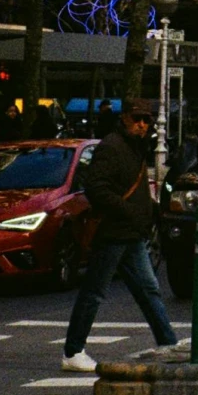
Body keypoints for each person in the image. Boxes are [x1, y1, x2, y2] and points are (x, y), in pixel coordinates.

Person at [62, 101, 178, 373]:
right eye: (137, 118)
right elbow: (96, 188)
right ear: (124, 118)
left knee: (148, 289)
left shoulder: (134, 147)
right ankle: (72, 350)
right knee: (94, 292)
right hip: (113, 232)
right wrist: (130, 211)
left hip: (130, 233)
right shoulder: (112, 147)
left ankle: (169, 344)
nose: (142, 124)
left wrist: (150, 212)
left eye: (147, 120)